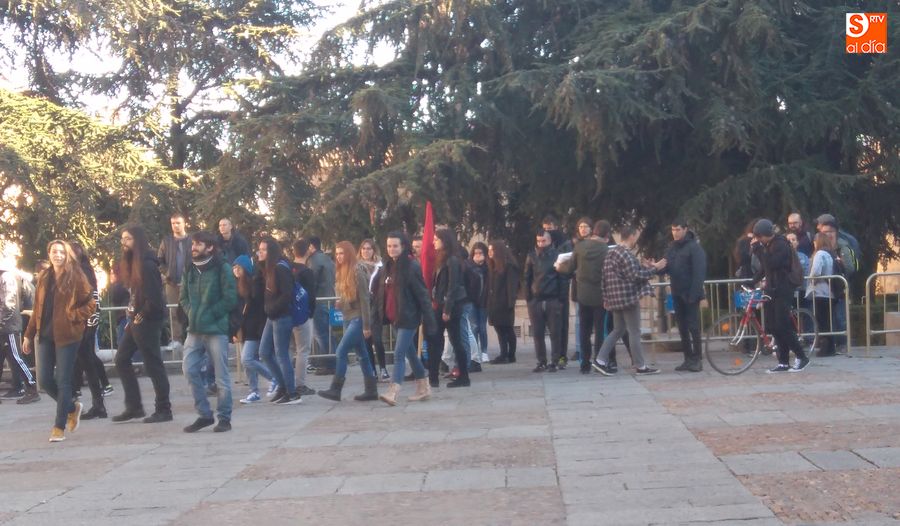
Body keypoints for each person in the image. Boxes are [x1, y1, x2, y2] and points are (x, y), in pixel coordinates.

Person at [23, 240, 95, 442]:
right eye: (54, 251)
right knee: (45, 380)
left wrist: (74, 316)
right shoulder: (45, 276)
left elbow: (91, 303)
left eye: (62, 252)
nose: (58, 255)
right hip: (45, 335)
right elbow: (37, 308)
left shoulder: (76, 275)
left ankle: (58, 427)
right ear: (49, 254)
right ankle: (72, 408)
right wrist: (28, 335)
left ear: (67, 254)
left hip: (68, 335)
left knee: (63, 381)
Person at [112, 226, 173, 424]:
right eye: (123, 239)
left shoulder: (147, 264)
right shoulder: (134, 263)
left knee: (153, 364)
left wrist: (140, 314)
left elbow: (154, 298)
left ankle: (164, 408)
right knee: (121, 359)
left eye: (128, 239)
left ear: (137, 240)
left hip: (147, 319)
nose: (124, 243)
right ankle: (134, 406)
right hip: (136, 318)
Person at [181, 231, 238, 432]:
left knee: (221, 377)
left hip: (216, 329)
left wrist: (211, 314)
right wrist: (191, 313)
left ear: (210, 247)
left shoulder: (222, 268)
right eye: (193, 244)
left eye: (198, 244)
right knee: (188, 369)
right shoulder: (189, 269)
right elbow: (183, 298)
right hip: (194, 329)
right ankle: (204, 414)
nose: (193, 248)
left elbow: (231, 297)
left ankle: (224, 418)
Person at [592, 225, 665, 376]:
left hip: (615, 299)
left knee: (617, 330)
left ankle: (600, 360)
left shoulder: (611, 253)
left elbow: (604, 278)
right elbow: (635, 276)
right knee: (634, 332)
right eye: (636, 236)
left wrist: (606, 298)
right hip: (628, 298)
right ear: (631, 236)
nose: (636, 239)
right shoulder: (626, 254)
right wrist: (655, 268)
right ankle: (640, 365)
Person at [374, 232, 437, 405]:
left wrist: (429, 320)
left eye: (395, 246)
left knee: (399, 353)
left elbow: (422, 294)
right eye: (389, 246)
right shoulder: (387, 266)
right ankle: (424, 387)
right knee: (410, 353)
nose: (391, 249)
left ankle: (393, 391)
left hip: (408, 317)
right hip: (394, 317)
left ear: (403, 247)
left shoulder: (411, 266)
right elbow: (382, 294)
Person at [317, 241, 379, 402]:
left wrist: (366, 325)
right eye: (336, 253)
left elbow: (365, 299)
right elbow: (347, 296)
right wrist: (341, 302)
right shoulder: (341, 271)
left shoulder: (357, 270)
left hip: (358, 318)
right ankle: (371, 390)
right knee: (363, 355)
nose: (338, 256)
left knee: (341, 351)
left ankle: (335, 389)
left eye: (342, 253)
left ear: (349, 253)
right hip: (348, 317)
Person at [750, 219, 810, 373]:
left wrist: (758, 250)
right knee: (773, 326)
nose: (758, 240)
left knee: (783, 325)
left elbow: (772, 263)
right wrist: (752, 281)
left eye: (759, 237)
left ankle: (801, 356)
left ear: (764, 235)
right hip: (772, 289)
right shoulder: (768, 246)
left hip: (783, 289)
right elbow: (765, 268)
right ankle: (783, 361)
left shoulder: (781, 244)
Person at [556, 217, 607, 374]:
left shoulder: (579, 246)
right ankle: (599, 361)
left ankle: (584, 363)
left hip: (582, 294)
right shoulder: (604, 249)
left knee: (584, 330)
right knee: (600, 330)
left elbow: (570, 267)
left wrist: (559, 267)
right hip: (600, 294)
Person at [257, 236, 302, 405]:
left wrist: (273, 308)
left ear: (271, 252)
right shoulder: (268, 268)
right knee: (264, 352)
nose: (259, 253)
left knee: (281, 353)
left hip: (281, 316)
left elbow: (287, 294)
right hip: (273, 315)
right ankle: (282, 386)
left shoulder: (280, 268)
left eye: (263, 250)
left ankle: (292, 392)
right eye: (259, 249)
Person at [658, 219, 707, 372]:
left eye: (678, 229)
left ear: (685, 229)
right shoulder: (672, 248)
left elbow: (699, 273)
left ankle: (697, 359)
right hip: (677, 293)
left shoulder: (694, 247)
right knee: (682, 327)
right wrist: (655, 267)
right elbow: (666, 267)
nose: (675, 233)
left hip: (690, 294)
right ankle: (687, 358)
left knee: (693, 327)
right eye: (673, 230)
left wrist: (694, 294)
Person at [69, 242, 108, 419]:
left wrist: (88, 320)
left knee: (85, 358)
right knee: (85, 359)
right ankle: (98, 403)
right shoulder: (82, 268)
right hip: (84, 319)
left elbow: (90, 296)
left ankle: (95, 402)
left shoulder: (81, 269)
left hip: (85, 320)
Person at [428, 229, 471, 388]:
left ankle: (463, 376)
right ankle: (433, 377)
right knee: (435, 340)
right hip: (440, 304)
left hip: (450, 305)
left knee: (455, 340)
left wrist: (447, 309)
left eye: (436, 239)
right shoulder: (441, 258)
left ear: (444, 241)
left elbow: (453, 286)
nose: (433, 242)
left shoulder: (452, 260)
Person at [0, 257, 40, 404]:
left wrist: (1, 322)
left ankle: (31, 388)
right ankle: (30, 388)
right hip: (6, 324)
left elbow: (8, 304)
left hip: (8, 326)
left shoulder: (6, 277)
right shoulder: (6, 276)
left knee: (16, 357)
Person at [233, 255, 273, 403]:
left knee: (247, 358)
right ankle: (253, 391)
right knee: (248, 361)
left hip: (255, 329)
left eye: (238, 267)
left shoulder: (253, 284)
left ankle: (273, 377)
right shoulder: (237, 285)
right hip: (244, 328)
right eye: (234, 267)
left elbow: (255, 308)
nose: (235, 270)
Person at [524, 230, 564, 373]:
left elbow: (561, 278)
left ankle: (554, 361)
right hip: (536, 299)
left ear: (549, 241)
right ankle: (541, 361)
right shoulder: (532, 256)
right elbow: (527, 278)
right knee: (538, 333)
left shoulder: (557, 255)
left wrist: (560, 299)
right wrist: (529, 298)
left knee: (555, 332)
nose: (541, 244)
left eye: (543, 241)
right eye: (538, 241)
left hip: (553, 298)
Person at [542, 214, 573, 367]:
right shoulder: (543, 243)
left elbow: (570, 264)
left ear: (556, 227)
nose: (548, 231)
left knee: (562, 324)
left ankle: (562, 355)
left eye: (550, 228)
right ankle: (552, 355)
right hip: (547, 288)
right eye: (546, 229)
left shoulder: (565, 243)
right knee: (551, 324)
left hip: (561, 286)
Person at [158, 212, 191, 347]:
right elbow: (159, 260)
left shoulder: (191, 240)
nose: (175, 226)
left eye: (178, 223)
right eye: (173, 223)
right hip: (171, 283)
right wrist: (166, 273)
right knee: (173, 312)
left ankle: (191, 338)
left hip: (190, 282)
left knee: (190, 310)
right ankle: (176, 340)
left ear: (184, 224)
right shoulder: (166, 241)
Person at [289, 239, 317, 397]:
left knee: (289, 349)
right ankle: (300, 384)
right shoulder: (306, 271)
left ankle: (286, 382)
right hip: (303, 315)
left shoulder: (288, 269)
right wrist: (310, 313)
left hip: (288, 314)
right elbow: (311, 296)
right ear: (307, 251)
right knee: (303, 350)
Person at [358, 239, 388, 380]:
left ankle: (383, 368)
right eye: (363, 249)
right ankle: (372, 371)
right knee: (366, 341)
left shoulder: (380, 266)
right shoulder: (357, 267)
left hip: (376, 306)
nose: (366, 251)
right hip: (363, 307)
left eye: (369, 249)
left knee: (377, 339)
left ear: (374, 250)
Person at [487, 240, 519, 364]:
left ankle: (509, 354)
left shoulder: (508, 266)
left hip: (504, 303)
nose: (489, 252)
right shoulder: (493, 265)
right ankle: (504, 353)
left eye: (492, 250)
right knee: (499, 329)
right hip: (494, 303)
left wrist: (510, 303)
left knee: (507, 329)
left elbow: (511, 286)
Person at [807, 232, 837, 357]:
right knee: (828, 320)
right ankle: (830, 347)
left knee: (821, 320)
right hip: (830, 291)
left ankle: (824, 348)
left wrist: (811, 279)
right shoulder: (831, 254)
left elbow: (816, 271)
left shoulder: (819, 254)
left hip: (820, 291)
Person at [307, 236, 336, 355]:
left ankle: (328, 362)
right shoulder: (327, 258)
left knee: (320, 334)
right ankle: (332, 359)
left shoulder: (314, 260)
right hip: (329, 298)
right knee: (328, 333)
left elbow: (311, 281)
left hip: (319, 301)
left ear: (311, 247)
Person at [468, 242, 490, 363]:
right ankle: (475, 353)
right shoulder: (469, 266)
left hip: (484, 301)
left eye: (480, 253)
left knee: (482, 327)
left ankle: (484, 351)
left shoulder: (488, 267)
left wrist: (485, 263)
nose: (478, 255)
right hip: (471, 301)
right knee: (474, 327)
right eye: (475, 253)